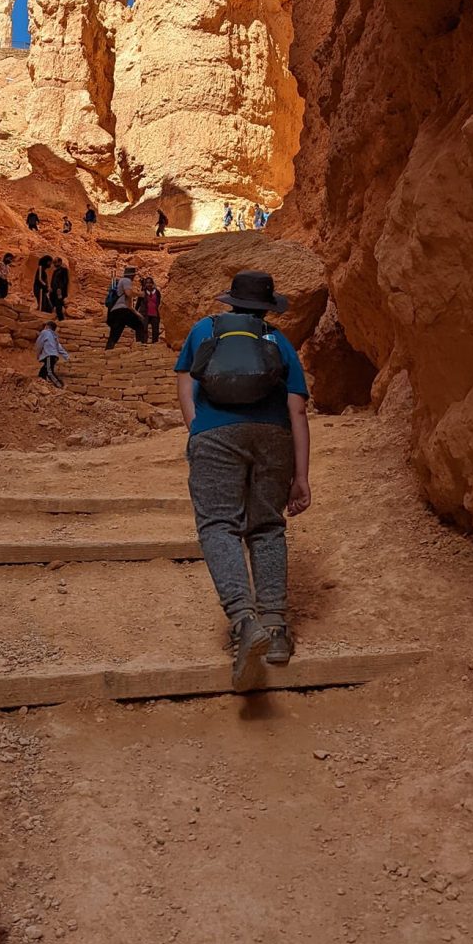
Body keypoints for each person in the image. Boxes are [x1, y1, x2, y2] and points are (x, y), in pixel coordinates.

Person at [174, 270, 311, 687]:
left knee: (219, 525)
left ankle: (242, 621)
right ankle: (275, 629)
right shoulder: (277, 341)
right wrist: (301, 475)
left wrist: (197, 425)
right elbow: (298, 411)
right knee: (267, 527)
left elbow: (184, 378)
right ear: (268, 308)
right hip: (272, 438)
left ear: (230, 302)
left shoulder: (204, 330)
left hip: (214, 435)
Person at [105, 265, 146, 349]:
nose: (134, 277)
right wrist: (140, 294)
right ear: (131, 275)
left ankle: (107, 351)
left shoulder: (120, 282)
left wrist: (137, 314)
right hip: (122, 311)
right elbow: (128, 293)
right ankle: (140, 347)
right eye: (134, 275)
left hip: (115, 312)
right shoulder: (126, 280)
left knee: (114, 334)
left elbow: (129, 305)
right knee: (140, 325)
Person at [35, 320, 70, 387]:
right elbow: (59, 347)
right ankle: (42, 383)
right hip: (54, 356)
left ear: (47, 326)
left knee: (49, 372)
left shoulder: (45, 332)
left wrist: (38, 354)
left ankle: (59, 385)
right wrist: (66, 356)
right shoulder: (54, 336)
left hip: (49, 355)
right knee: (43, 371)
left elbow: (39, 343)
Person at [142, 277, 162, 344]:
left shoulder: (157, 292)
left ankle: (154, 344)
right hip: (145, 313)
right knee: (144, 329)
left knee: (155, 330)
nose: (149, 284)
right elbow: (138, 304)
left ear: (152, 283)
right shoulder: (143, 293)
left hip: (155, 313)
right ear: (145, 284)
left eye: (150, 282)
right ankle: (144, 343)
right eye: (147, 283)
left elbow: (159, 302)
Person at [50, 256, 70, 321]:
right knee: (52, 305)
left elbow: (65, 281)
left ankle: (61, 321)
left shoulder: (64, 270)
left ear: (60, 262)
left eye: (56, 262)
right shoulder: (55, 271)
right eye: (54, 262)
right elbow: (53, 281)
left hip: (59, 291)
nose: (54, 264)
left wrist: (60, 290)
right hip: (53, 291)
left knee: (58, 307)